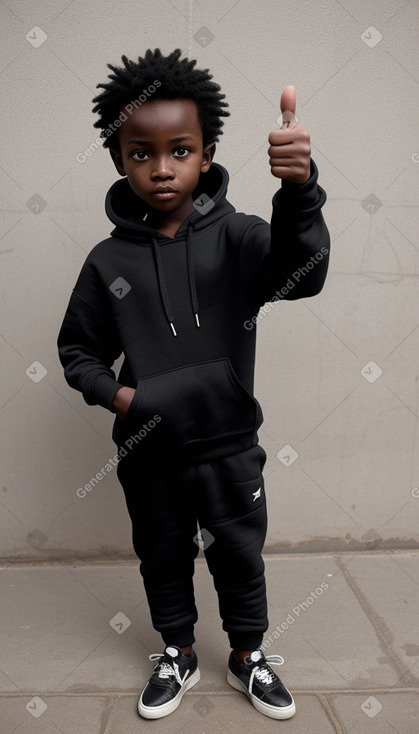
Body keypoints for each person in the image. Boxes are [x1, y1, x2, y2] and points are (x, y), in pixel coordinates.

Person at [57, 48, 330, 721]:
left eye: (179, 149)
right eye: (141, 152)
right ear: (120, 158)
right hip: (148, 451)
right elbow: (78, 349)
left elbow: (304, 271)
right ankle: (175, 650)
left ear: (205, 155)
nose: (160, 167)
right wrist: (124, 398)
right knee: (162, 557)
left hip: (229, 446)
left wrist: (298, 191)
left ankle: (246, 656)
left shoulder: (237, 238)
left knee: (239, 555)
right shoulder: (108, 261)